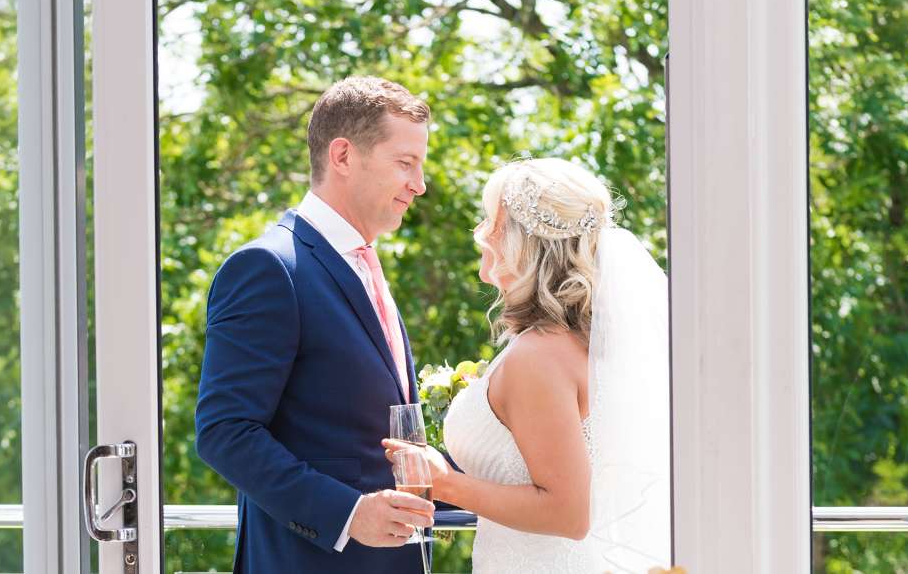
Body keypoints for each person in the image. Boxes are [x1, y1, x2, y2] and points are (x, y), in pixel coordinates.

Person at [195, 76, 438, 572]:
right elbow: (224, 431)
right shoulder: (268, 267)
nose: (419, 184)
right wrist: (347, 515)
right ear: (343, 156)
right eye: (405, 163)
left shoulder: (364, 265)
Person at [385, 158, 673, 572]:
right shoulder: (566, 344)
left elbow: (567, 513)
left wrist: (445, 482)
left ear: (521, 242)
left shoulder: (538, 357)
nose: (481, 232)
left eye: (491, 221)